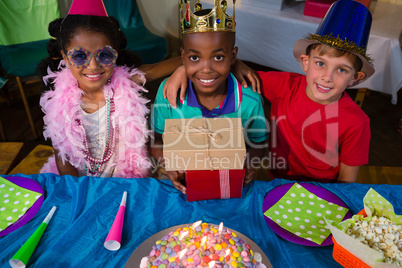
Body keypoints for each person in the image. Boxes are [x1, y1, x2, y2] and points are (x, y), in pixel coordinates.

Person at [37, 0, 259, 178]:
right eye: (79, 55)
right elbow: (62, 156)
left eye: (104, 54)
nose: (93, 65)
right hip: (78, 183)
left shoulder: (126, 81)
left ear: (116, 54)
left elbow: (185, 61)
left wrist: (204, 66)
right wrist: (78, 192)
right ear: (65, 56)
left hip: (125, 180)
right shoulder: (58, 101)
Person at [165, 0, 374, 183]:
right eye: (320, 63)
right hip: (278, 181)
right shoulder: (284, 85)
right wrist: (183, 67)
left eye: (341, 69)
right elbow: (219, 69)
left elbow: (348, 182)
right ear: (305, 62)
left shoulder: (357, 122)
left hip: (324, 190)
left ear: (355, 77)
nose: (327, 77)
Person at [150, 1, 268, 193]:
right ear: (183, 57)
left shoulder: (249, 100)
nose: (206, 69)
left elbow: (258, 144)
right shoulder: (168, 92)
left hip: (229, 179)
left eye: (218, 57)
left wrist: (250, 164)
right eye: (195, 58)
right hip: (178, 179)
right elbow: (156, 141)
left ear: (233, 55)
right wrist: (169, 165)